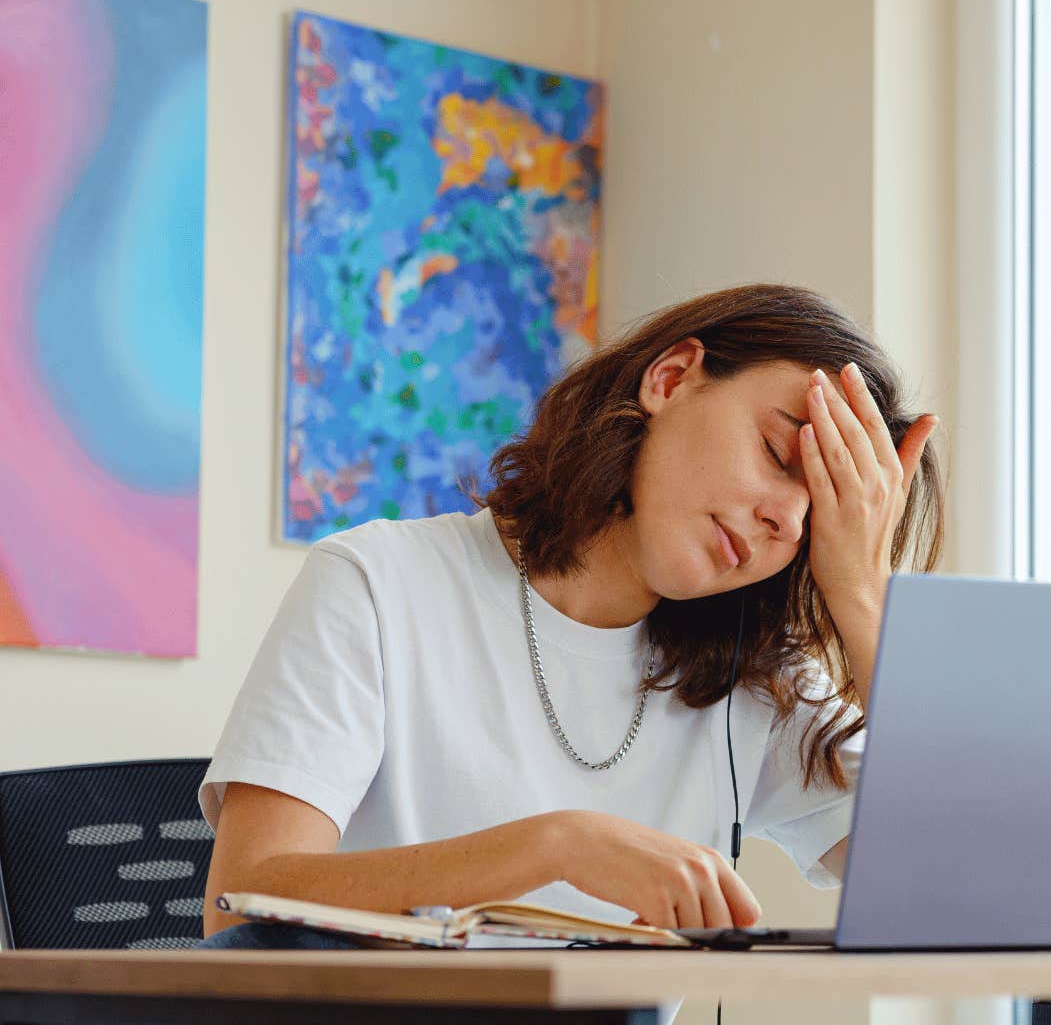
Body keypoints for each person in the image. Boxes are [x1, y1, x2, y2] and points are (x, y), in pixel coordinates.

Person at [198, 283, 943, 948]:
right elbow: (243, 905)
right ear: (671, 377)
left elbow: (940, 887)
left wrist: (863, 593)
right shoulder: (378, 584)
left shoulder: (754, 678)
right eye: (780, 453)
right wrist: (555, 846)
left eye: (817, 521)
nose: (784, 521)